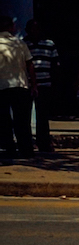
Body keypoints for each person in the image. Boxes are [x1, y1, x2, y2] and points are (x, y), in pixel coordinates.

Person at [0, 16, 37, 158]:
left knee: (4, 120)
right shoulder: (20, 44)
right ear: (11, 28)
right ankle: (26, 149)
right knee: (22, 120)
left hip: (2, 87)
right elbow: (30, 65)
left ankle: (9, 148)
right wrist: (34, 85)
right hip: (20, 85)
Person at [24, 20, 58, 153]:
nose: (34, 31)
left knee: (42, 115)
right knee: (25, 115)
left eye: (36, 29)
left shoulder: (49, 44)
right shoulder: (23, 44)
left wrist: (55, 84)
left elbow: (55, 65)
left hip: (45, 83)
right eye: (31, 29)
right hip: (26, 84)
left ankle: (43, 142)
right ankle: (27, 143)